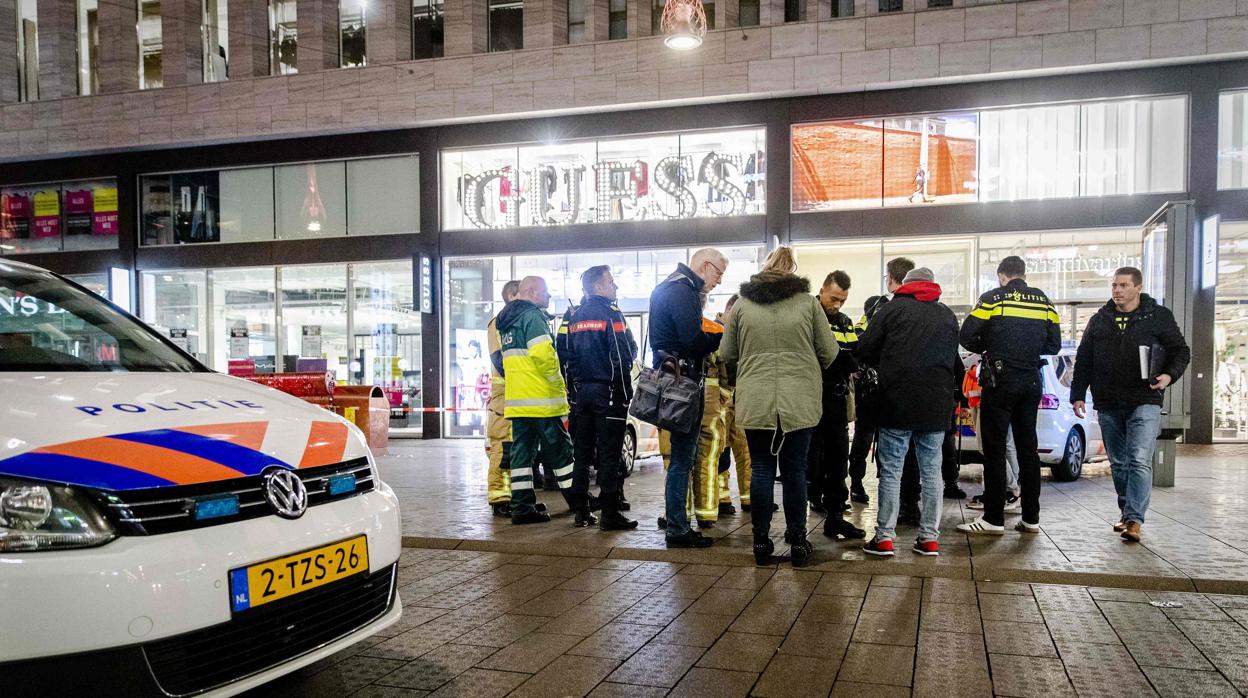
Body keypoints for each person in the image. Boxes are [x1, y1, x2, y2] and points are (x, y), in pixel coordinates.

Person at [721, 247, 837, 567]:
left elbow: (727, 353)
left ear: (765, 268)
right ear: (793, 270)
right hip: (799, 399)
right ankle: (798, 542)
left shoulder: (743, 305)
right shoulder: (807, 303)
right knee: (795, 470)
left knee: (761, 468)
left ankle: (760, 542)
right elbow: (829, 352)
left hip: (756, 398)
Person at [1070, 267, 1190, 543]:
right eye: (1114, 285)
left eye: (1123, 285)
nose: (1117, 290)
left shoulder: (1157, 316)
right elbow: (1084, 358)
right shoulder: (1100, 320)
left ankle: (1135, 519)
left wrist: (1169, 375)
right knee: (1120, 463)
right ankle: (1126, 511)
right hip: (1108, 401)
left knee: (1138, 458)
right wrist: (1077, 394)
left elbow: (1181, 350)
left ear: (1138, 287)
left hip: (1144, 398)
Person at [857, 267, 961, 557]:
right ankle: (929, 538)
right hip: (936, 405)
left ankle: (884, 538)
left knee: (891, 471)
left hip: (896, 402)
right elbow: (953, 359)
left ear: (907, 284)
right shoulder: (947, 315)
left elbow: (865, 349)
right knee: (931, 472)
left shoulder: (892, 310)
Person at [956, 256, 1062, 536]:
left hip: (1000, 379)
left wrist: (992, 345)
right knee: (1028, 449)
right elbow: (1053, 345)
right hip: (1031, 380)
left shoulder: (993, 298)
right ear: (1023, 275)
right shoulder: (1044, 302)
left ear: (1002, 276)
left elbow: (966, 336)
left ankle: (993, 518)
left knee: (994, 448)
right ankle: (1031, 518)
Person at [649, 248, 728, 548]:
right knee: (683, 458)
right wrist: (722, 336)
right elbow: (692, 340)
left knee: (680, 458)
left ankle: (676, 523)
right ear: (704, 266)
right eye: (718, 273)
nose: (718, 281)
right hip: (683, 385)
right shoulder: (684, 290)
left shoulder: (668, 285)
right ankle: (678, 529)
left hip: (670, 382)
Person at [492, 276, 576, 525]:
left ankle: (521, 507)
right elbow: (542, 354)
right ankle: (579, 501)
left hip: (518, 401)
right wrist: (558, 381)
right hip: (541, 398)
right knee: (561, 452)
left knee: (522, 456)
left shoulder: (506, 320)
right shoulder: (532, 316)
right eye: (546, 292)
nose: (549, 296)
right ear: (530, 292)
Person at [561, 265, 639, 531]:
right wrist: (625, 392)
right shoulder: (611, 314)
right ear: (598, 287)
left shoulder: (574, 317)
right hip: (608, 393)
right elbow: (621, 356)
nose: (615, 287)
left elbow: (567, 358)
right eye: (611, 282)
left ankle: (581, 510)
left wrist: (574, 393)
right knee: (609, 454)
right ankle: (609, 513)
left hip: (582, 394)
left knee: (581, 454)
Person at [848, 257, 916, 505]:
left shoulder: (880, 307)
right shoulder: (923, 308)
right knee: (902, 442)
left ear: (890, 278)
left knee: (864, 435)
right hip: (902, 385)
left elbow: (860, 342)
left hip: (873, 383)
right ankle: (901, 495)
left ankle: (856, 484)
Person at [808, 270, 867, 541]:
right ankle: (808, 508)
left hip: (836, 399)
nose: (837, 305)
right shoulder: (809, 313)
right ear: (821, 290)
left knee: (837, 460)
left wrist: (844, 362)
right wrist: (841, 360)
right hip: (810, 399)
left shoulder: (844, 321)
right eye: (833, 298)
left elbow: (852, 357)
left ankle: (835, 518)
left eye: (842, 300)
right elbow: (823, 357)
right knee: (810, 461)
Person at [486, 280, 522, 517]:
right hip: (505, 397)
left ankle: (515, 497)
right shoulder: (498, 323)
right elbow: (501, 360)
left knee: (516, 449)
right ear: (511, 295)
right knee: (503, 447)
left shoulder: (515, 322)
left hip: (518, 394)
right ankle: (499, 498)